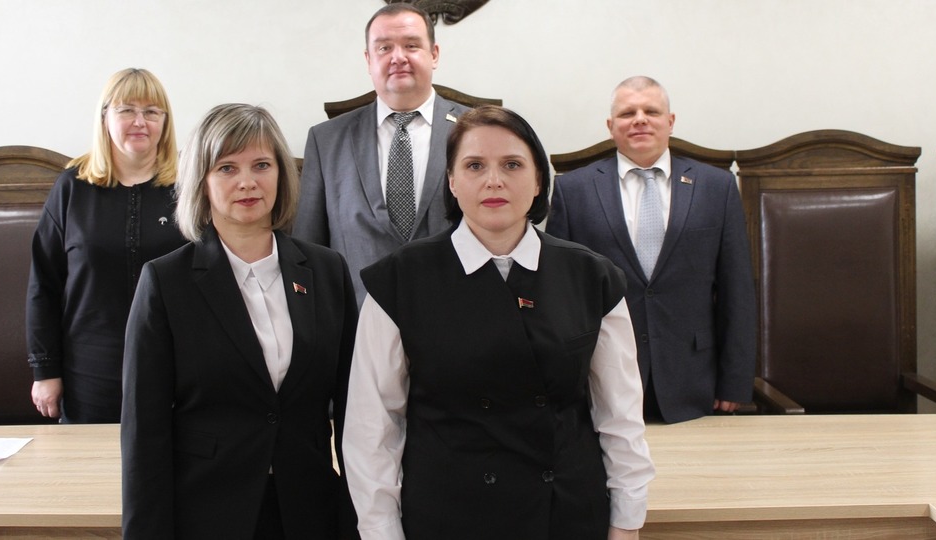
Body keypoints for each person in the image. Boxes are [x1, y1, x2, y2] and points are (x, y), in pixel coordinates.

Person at [343, 105, 654, 540]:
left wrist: (627, 520)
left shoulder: (592, 277)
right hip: (447, 515)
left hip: (565, 512)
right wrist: (381, 532)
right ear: (452, 182)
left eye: (512, 164)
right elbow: (372, 428)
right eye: (474, 165)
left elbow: (620, 416)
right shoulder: (400, 280)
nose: (494, 180)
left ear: (539, 180)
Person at [121, 104, 359, 539]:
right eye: (227, 168)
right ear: (202, 181)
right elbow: (144, 433)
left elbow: (353, 410)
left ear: (281, 174)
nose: (247, 182)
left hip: (310, 512)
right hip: (208, 514)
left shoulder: (326, 271)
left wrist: (362, 517)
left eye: (261, 165)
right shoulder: (166, 282)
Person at [547, 76, 757, 424]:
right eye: (628, 113)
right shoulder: (574, 190)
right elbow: (559, 294)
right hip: (603, 384)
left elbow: (737, 291)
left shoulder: (716, 187)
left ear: (670, 122)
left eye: (651, 111)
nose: (640, 120)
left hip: (695, 383)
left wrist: (734, 382)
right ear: (611, 126)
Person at [26, 67, 187, 423]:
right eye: (126, 110)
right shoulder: (72, 187)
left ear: (165, 122)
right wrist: (45, 370)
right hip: (89, 370)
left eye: (151, 111)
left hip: (177, 366)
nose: (140, 121)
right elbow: (44, 285)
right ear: (105, 118)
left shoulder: (189, 187)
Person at [294, 3, 469, 305]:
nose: (398, 57)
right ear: (369, 59)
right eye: (384, 48)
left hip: (458, 314)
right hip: (358, 321)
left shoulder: (476, 131)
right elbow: (307, 251)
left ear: (434, 54)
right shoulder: (326, 141)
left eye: (411, 45)